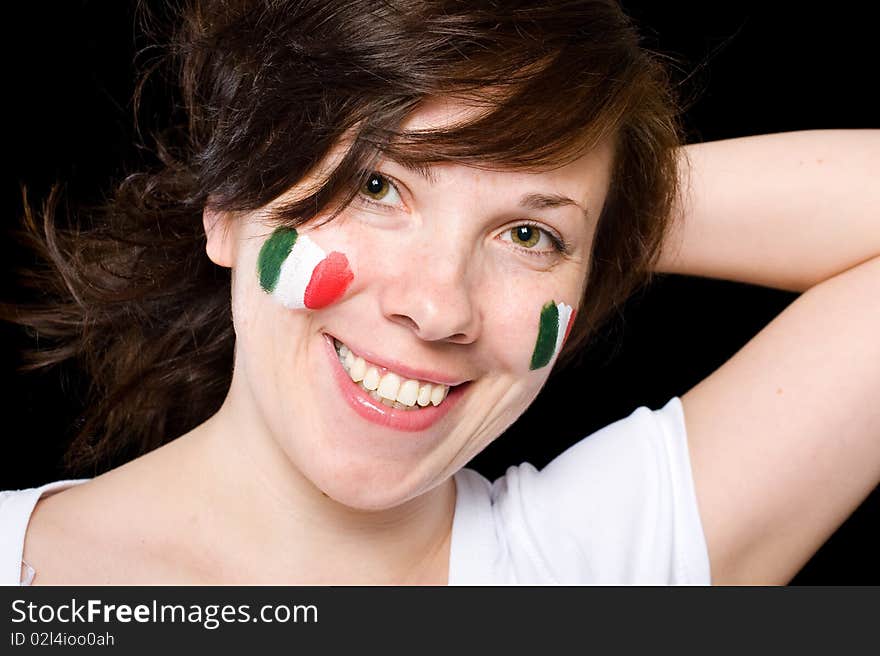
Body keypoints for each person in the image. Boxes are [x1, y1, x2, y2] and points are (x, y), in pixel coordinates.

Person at [1, 0, 878, 585]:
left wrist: (611, 211)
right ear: (227, 204)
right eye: (379, 188)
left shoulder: (598, 567)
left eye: (530, 239)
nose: (439, 307)